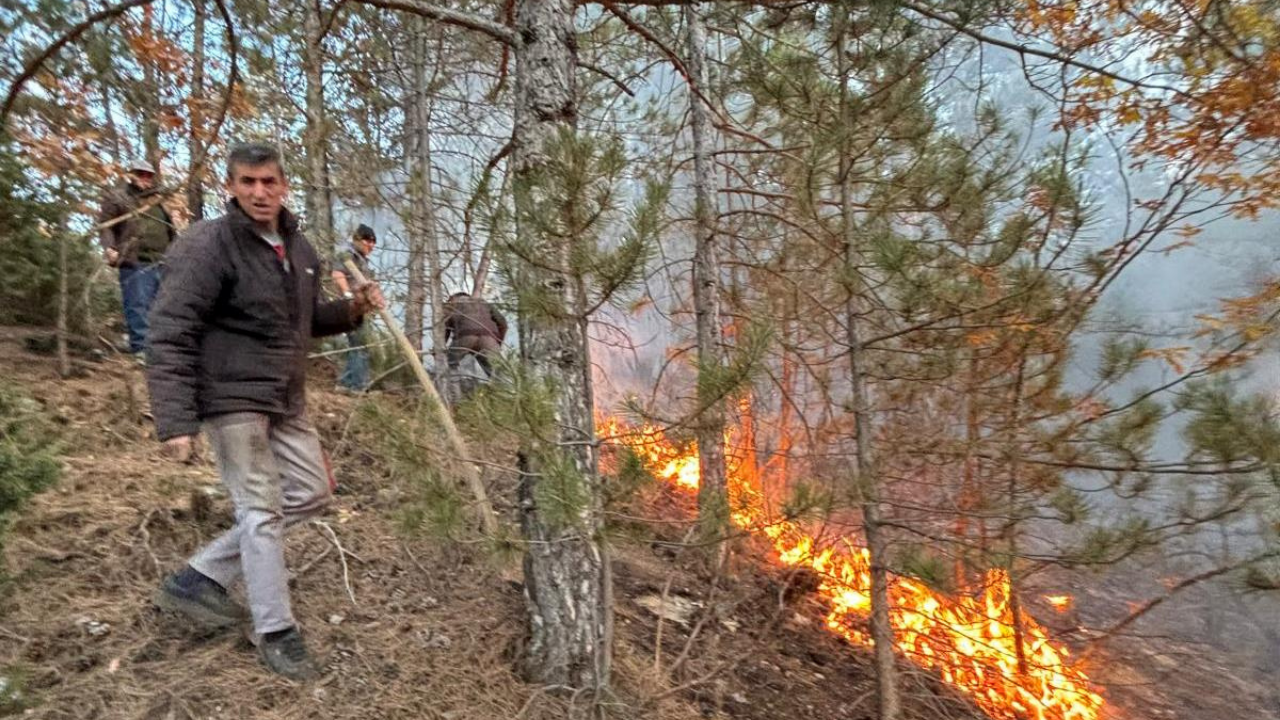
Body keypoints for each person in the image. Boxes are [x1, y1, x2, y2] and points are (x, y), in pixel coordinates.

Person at [145, 141, 385, 681]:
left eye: (269, 182)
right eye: (247, 182)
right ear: (231, 186)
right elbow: (170, 329)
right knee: (260, 511)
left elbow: (301, 323)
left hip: (285, 397)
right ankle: (276, 632)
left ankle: (198, 577)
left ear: (284, 186)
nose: (259, 192)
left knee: (313, 493)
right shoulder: (208, 244)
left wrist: (353, 310)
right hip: (231, 398)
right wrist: (176, 419)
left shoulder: (298, 250)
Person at [98, 160, 175, 357]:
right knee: (138, 304)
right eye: (141, 174)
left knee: (164, 307)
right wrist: (109, 248)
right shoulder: (119, 197)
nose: (145, 179)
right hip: (135, 261)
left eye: (148, 175)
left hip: (162, 261)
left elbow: (170, 230)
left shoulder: (158, 201)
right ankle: (141, 348)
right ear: (131, 175)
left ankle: (159, 347)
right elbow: (106, 225)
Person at [330, 224, 377, 392]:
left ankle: (345, 384)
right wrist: (348, 295)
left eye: (373, 241)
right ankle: (358, 386)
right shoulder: (348, 255)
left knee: (358, 344)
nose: (371, 244)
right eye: (367, 240)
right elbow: (337, 274)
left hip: (360, 308)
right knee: (360, 344)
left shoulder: (361, 259)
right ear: (357, 239)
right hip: (351, 307)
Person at [443, 291, 507, 379]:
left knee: (449, 365)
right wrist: (498, 342)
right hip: (489, 339)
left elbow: (444, 329)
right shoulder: (483, 302)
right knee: (497, 373)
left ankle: (452, 389)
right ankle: (502, 390)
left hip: (465, 337)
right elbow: (503, 323)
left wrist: (439, 348)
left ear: (452, 298)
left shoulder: (453, 305)